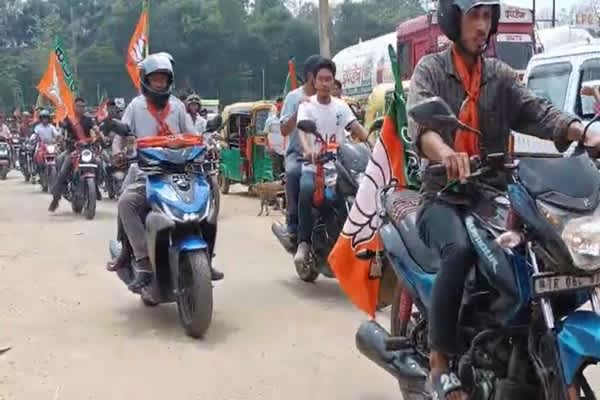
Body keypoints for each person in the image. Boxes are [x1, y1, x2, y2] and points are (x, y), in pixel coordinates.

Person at [406, 1, 600, 399]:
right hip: (443, 195)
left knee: (541, 250)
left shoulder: (498, 74)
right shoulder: (431, 70)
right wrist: (447, 154)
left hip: (493, 191)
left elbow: (539, 111)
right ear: (452, 20)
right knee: (459, 252)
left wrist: (583, 132)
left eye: (487, 17)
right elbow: (423, 129)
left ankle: (523, 339)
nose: (482, 26)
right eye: (473, 16)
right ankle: (439, 365)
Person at [108, 53, 223, 291]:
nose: (160, 84)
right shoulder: (136, 106)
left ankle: (208, 257)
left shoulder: (178, 106)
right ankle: (141, 260)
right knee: (126, 203)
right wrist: (117, 151)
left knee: (212, 191)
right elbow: (121, 133)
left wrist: (204, 144)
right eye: (155, 79)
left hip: (183, 170)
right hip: (148, 172)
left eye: (163, 79)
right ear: (146, 80)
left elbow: (193, 135)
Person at [294, 58, 368, 266]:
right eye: (321, 79)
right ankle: (303, 243)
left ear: (333, 81)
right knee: (306, 190)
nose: (325, 83)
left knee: (358, 193)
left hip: (340, 166)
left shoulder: (341, 106)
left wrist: (373, 142)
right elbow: (302, 133)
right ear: (315, 81)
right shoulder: (307, 105)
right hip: (314, 167)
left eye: (329, 79)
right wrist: (309, 151)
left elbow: (355, 128)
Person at [274, 54, 322, 244]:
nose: (325, 82)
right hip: (298, 154)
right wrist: (298, 111)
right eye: (321, 76)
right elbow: (284, 130)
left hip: (325, 153)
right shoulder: (293, 97)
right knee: (294, 173)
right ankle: (292, 223)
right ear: (311, 76)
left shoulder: (328, 97)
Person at [49, 97, 101, 212]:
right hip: (72, 150)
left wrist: (100, 136)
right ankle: (56, 198)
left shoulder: (89, 120)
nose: (81, 108)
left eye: (83, 106)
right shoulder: (69, 120)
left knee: (98, 162)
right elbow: (62, 132)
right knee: (62, 169)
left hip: (87, 150)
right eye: (78, 106)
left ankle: (96, 187)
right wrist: (61, 138)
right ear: (74, 107)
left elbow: (96, 129)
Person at [265, 97, 285, 176]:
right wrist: (269, 148)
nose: (280, 110)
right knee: (276, 173)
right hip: (274, 151)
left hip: (285, 151)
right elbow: (265, 135)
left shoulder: (288, 120)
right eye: (279, 107)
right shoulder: (270, 121)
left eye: (282, 107)